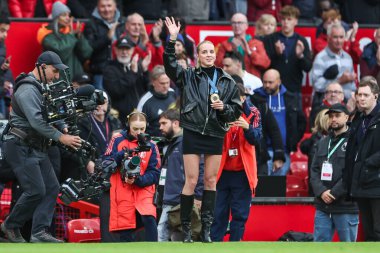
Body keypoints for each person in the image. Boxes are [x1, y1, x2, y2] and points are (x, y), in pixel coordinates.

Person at [163, 17, 242, 243]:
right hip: (194, 131)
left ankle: (206, 229)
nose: (208, 55)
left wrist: (223, 107)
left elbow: (235, 111)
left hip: (215, 132)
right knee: (190, 179)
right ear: (197, 55)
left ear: (215, 55)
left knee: (210, 181)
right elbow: (169, 64)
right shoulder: (187, 75)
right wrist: (172, 39)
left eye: (210, 52)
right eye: (204, 51)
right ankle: (187, 229)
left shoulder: (226, 80)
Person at [0, 51, 83, 243]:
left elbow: (49, 115)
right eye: (55, 71)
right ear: (42, 67)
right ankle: (10, 226)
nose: (57, 76)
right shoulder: (28, 89)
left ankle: (39, 232)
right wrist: (62, 137)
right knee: (36, 190)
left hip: (35, 146)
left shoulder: (41, 87)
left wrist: (62, 125)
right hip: (20, 144)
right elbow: (36, 121)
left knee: (52, 187)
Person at [211, 81, 262, 242]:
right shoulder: (219, 111)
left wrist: (248, 128)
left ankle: (235, 245)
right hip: (222, 171)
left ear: (242, 98)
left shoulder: (253, 112)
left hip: (242, 173)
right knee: (218, 213)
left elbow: (257, 139)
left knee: (239, 214)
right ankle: (215, 246)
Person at [104, 111, 161, 242]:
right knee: (125, 228)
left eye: (142, 128)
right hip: (122, 189)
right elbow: (105, 164)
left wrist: (138, 180)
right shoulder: (117, 139)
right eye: (135, 129)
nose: (139, 132)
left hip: (143, 189)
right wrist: (122, 154)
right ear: (128, 126)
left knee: (149, 218)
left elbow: (155, 173)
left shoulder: (152, 145)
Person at [310, 103, 359, 241]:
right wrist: (321, 191)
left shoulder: (355, 142)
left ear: (346, 117)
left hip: (346, 206)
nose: (333, 119)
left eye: (337, 116)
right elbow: (314, 170)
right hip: (323, 206)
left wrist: (334, 193)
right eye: (331, 116)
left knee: (348, 248)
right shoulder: (323, 142)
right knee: (319, 248)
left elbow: (353, 172)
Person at [157, 109, 204, 242]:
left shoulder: (186, 142)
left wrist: (198, 196)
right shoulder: (172, 143)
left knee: (162, 233)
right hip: (171, 197)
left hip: (180, 198)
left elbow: (200, 169)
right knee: (178, 237)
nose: (160, 127)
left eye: (164, 123)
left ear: (176, 123)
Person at [344, 78, 380, 241]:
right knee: (368, 232)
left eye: (366, 95)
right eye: (359, 95)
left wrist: (368, 163)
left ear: (376, 96)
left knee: (378, 230)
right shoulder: (358, 120)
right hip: (361, 182)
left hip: (376, 181)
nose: (361, 98)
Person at [254, 69, 306, 176]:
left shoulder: (290, 98)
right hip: (261, 152)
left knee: (277, 189)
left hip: (284, 152)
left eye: (270, 82)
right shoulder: (256, 98)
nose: (267, 85)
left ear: (279, 81)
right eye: (265, 82)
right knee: (262, 190)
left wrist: (292, 141)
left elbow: (301, 122)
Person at [263, 5, 312, 107]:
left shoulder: (301, 41)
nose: (285, 22)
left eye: (289, 19)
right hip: (273, 89)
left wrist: (300, 56)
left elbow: (308, 67)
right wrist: (277, 54)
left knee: (294, 121)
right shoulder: (270, 39)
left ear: (296, 21)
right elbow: (264, 65)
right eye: (283, 19)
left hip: (294, 90)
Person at [37, 1, 93, 81]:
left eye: (68, 15)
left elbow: (87, 53)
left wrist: (79, 36)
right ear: (56, 17)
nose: (68, 18)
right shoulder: (46, 35)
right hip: (59, 80)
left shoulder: (70, 34)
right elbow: (61, 52)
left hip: (77, 80)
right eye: (64, 15)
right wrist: (71, 35)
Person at [103, 36, 150, 124]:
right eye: (121, 49)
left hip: (139, 116)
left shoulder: (137, 66)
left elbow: (148, 90)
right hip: (119, 119)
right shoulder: (109, 69)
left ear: (132, 50)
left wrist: (145, 71)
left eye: (127, 49)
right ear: (116, 50)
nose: (124, 52)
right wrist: (132, 73)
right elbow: (116, 91)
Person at [311, 23, 356, 107]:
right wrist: (339, 81)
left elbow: (352, 87)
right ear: (328, 38)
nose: (338, 40)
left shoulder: (348, 57)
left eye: (341, 37)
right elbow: (317, 85)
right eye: (335, 37)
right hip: (326, 108)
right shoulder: (320, 58)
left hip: (346, 108)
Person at [83, 0, 125, 89]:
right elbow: (88, 49)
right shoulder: (90, 24)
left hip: (121, 72)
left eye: (109, 6)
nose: (106, 9)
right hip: (100, 73)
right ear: (97, 7)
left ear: (115, 7)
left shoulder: (123, 23)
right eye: (103, 6)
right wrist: (107, 38)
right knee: (102, 102)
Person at [215, 12, 270, 78]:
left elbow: (265, 64)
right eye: (234, 23)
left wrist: (250, 52)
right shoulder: (225, 45)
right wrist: (232, 52)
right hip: (231, 80)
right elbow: (217, 66)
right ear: (231, 26)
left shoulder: (257, 43)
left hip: (251, 81)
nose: (236, 25)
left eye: (240, 23)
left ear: (246, 25)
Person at [137, 65, 176, 137]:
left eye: (168, 82)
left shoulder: (172, 93)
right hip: (155, 142)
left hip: (174, 141)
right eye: (162, 83)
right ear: (153, 82)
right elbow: (138, 127)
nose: (166, 86)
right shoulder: (145, 101)